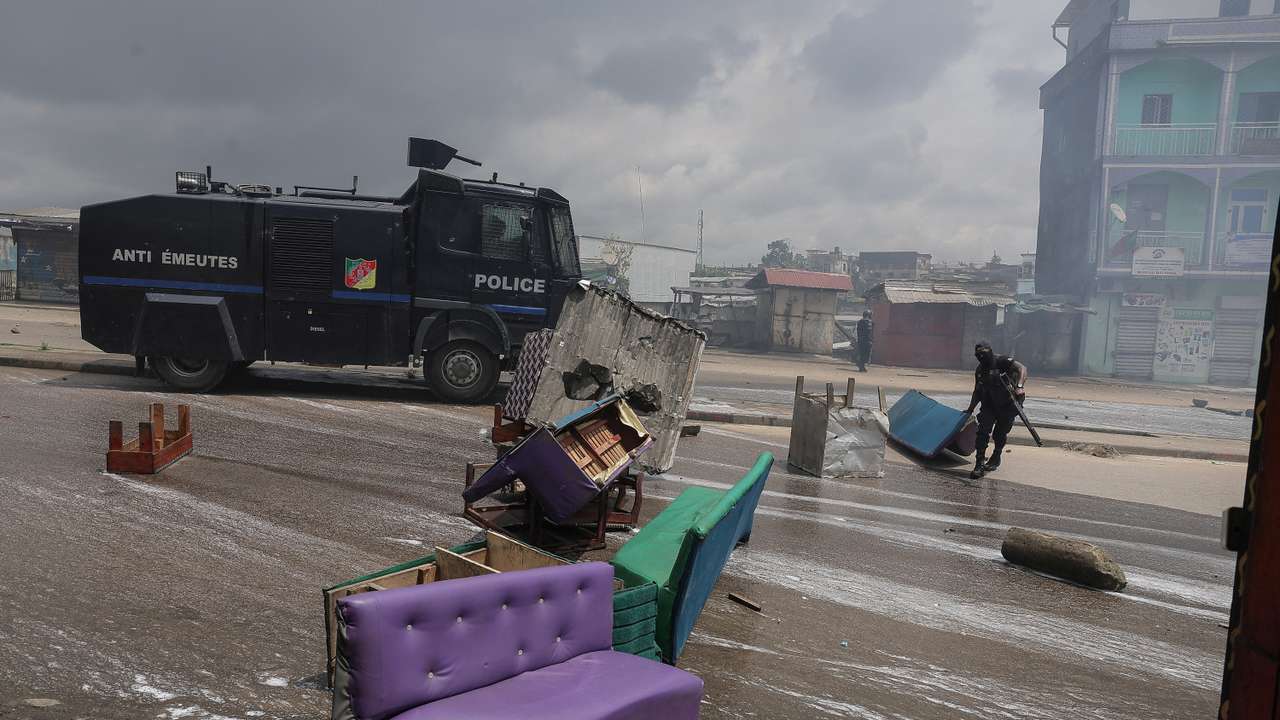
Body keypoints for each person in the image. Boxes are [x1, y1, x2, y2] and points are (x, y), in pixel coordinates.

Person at [964, 341, 1027, 479]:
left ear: (990, 351)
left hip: (1008, 404)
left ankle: (996, 456)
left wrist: (1020, 386)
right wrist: (970, 409)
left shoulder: (1002, 361)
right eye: (978, 355)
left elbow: (1022, 368)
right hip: (990, 405)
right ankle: (979, 463)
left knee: (1000, 433)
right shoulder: (980, 370)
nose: (981, 357)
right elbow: (977, 391)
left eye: (983, 354)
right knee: (983, 432)